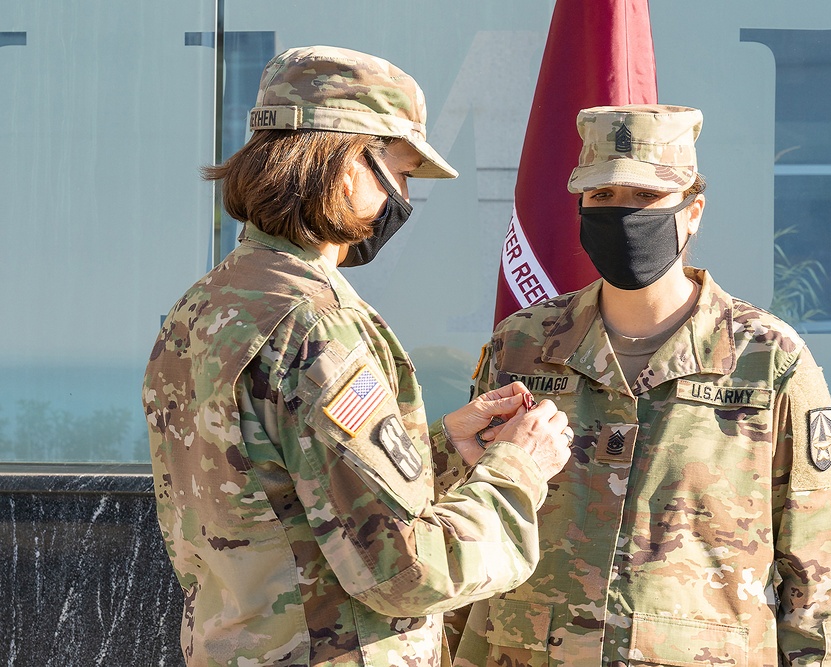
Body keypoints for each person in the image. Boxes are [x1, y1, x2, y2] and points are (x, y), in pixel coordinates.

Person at [142, 46, 572, 667]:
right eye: (398, 171)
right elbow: (407, 573)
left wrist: (443, 450)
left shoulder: (204, 306)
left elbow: (276, 489)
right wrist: (519, 469)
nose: (401, 197)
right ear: (347, 166)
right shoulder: (315, 321)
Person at [452, 105, 831, 666]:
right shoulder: (523, 344)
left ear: (693, 211)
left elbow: (825, 573)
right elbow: (471, 521)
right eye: (601, 198)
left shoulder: (765, 357)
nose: (621, 213)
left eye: (645, 197)